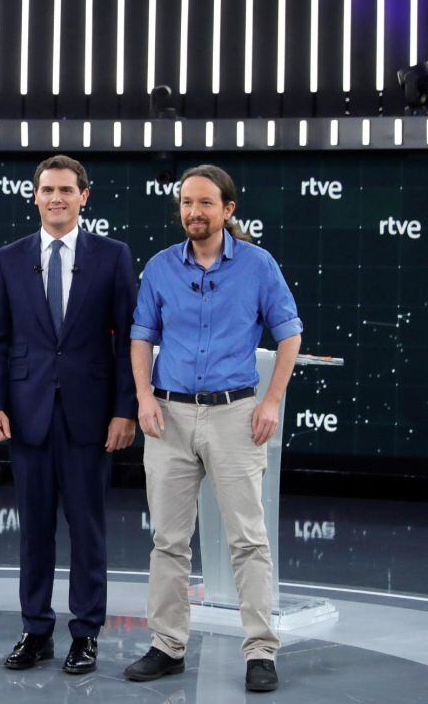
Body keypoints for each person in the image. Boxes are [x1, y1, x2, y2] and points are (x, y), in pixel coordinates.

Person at [124, 164, 301, 693]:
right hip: (170, 417)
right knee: (168, 541)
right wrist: (143, 396)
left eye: (204, 203)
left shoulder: (258, 265)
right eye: (185, 203)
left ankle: (260, 651)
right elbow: (140, 336)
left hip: (234, 415)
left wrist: (272, 400)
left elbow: (288, 333)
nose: (193, 212)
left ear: (228, 209)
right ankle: (167, 645)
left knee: (248, 539)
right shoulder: (159, 267)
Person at [0, 155, 138, 674]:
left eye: (67, 190)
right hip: (27, 414)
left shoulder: (113, 257)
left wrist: (124, 411)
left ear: (84, 196)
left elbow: (129, 345)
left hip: (91, 418)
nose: (56, 198)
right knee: (34, 530)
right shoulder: (7, 258)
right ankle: (35, 629)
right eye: (47, 189)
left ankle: (86, 632)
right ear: (35, 196)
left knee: (88, 528)